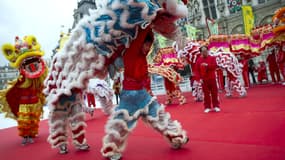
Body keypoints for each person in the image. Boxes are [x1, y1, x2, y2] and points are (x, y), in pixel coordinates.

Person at [101, 27, 189, 160]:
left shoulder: (143, 55)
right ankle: (110, 150)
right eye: (146, 45)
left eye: (149, 46)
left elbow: (150, 39)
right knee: (121, 124)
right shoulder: (132, 51)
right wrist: (147, 20)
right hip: (129, 96)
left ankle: (176, 137)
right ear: (140, 43)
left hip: (142, 94)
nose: (148, 49)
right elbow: (141, 36)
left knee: (159, 116)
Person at [196, 45, 220, 113]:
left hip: (212, 78)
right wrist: (199, 78)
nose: (205, 52)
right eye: (203, 51)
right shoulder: (198, 60)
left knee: (214, 93)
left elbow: (215, 66)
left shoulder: (212, 58)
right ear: (201, 52)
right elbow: (197, 71)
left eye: (206, 51)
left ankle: (216, 106)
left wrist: (207, 65)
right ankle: (207, 107)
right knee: (206, 94)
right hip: (204, 80)